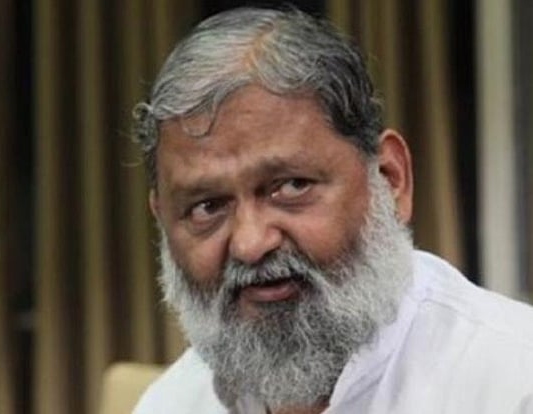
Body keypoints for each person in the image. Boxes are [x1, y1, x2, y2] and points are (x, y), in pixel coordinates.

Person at [131, 7, 533, 414]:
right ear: (162, 221)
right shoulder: (171, 404)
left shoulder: (515, 384)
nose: (250, 244)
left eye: (291, 186)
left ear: (390, 179)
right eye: (207, 207)